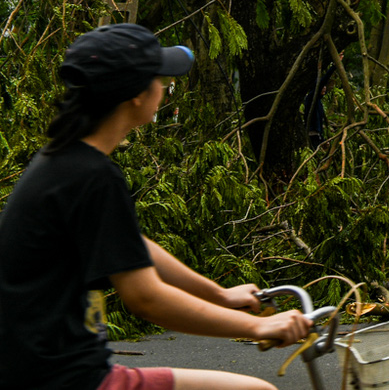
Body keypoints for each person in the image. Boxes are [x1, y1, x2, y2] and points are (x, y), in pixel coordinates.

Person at [0, 24, 312, 390]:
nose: (164, 87)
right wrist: (258, 325)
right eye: (160, 78)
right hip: (65, 379)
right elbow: (146, 298)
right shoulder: (93, 176)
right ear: (135, 93)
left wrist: (219, 294)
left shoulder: (62, 162)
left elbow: (132, 245)